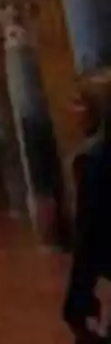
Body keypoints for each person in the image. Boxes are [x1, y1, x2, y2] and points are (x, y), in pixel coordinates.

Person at [64, 85, 111, 343]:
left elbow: (89, 236)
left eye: (78, 104)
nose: (70, 112)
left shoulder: (92, 161)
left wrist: (78, 297)